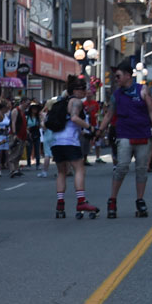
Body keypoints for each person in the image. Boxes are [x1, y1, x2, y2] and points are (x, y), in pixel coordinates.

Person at [96, 64, 152, 218]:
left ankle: (140, 200)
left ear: (128, 76)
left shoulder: (142, 90)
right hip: (124, 134)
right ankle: (112, 199)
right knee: (122, 166)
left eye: (118, 76)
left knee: (142, 169)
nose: (116, 79)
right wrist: (99, 131)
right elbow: (109, 114)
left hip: (143, 134)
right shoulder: (116, 95)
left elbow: (151, 110)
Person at [48, 78, 97, 219]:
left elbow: (69, 123)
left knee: (62, 172)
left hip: (56, 142)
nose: (84, 91)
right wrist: (90, 128)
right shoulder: (76, 102)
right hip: (69, 142)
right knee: (79, 169)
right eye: (82, 88)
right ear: (75, 90)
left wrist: (83, 132)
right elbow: (75, 118)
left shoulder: (61, 103)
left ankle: (60, 204)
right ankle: (81, 201)